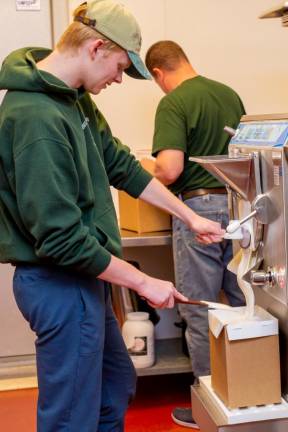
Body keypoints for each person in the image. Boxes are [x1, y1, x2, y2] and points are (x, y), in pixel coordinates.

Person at [0, 3, 224, 432]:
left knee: (114, 384)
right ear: (97, 47)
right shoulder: (35, 117)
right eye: (120, 67)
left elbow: (120, 163)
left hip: (85, 277)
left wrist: (189, 217)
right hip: (58, 281)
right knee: (71, 417)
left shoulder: (74, 100)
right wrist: (145, 282)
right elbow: (62, 239)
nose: (118, 79)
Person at [145, 40, 246, 429]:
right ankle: (256, 390)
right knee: (245, 303)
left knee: (200, 308)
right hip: (240, 210)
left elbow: (169, 170)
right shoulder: (228, 93)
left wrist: (144, 176)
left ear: (158, 72)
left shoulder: (173, 102)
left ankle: (209, 403)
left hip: (199, 210)